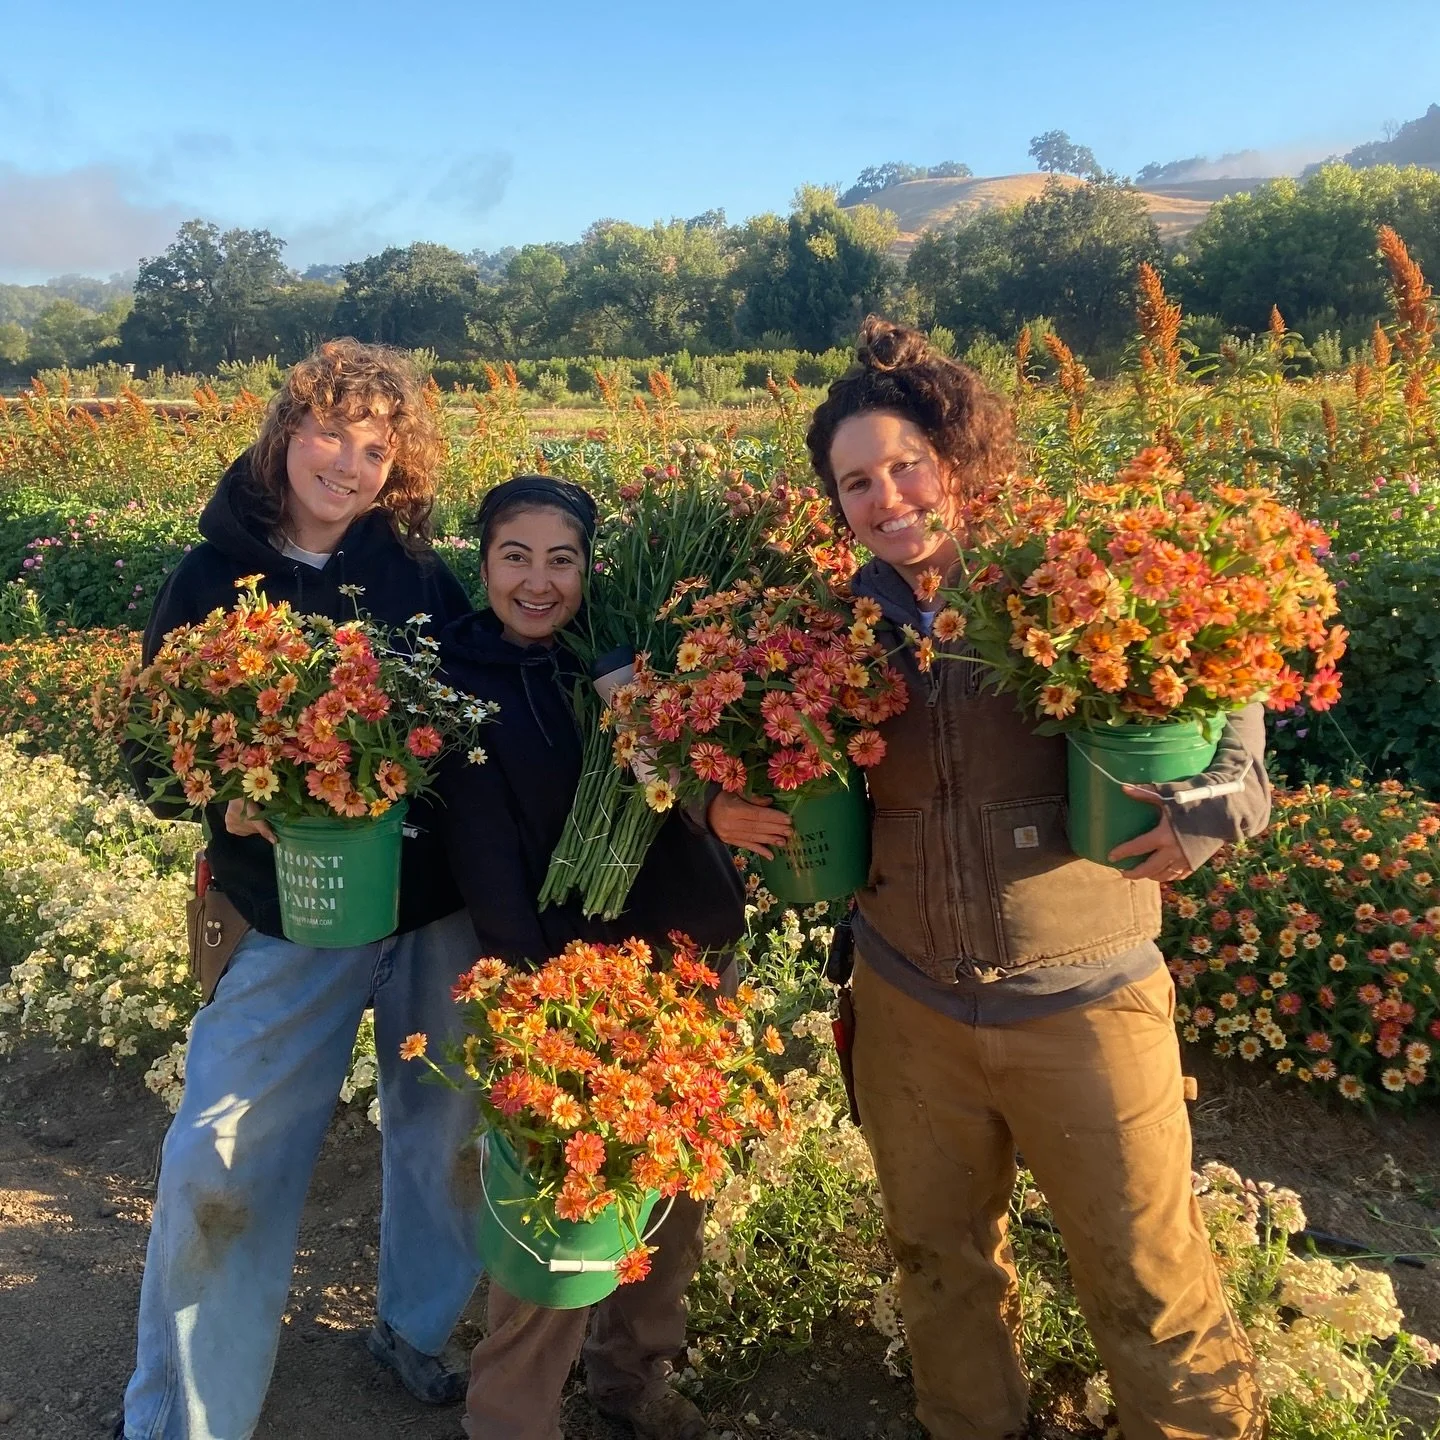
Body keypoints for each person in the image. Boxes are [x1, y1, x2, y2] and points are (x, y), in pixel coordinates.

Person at [716, 317, 1271, 1440]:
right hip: (908, 994)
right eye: (856, 482)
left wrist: (1217, 810)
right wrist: (711, 799)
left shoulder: (1064, 582)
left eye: (906, 464)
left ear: (957, 459)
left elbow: (1236, 708)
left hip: (1086, 994)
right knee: (941, 1272)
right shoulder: (825, 628)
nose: (887, 497)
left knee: (1151, 1288)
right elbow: (699, 734)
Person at [118, 339, 483, 1440]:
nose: (348, 462)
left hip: (428, 912)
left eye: (376, 446)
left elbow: (475, 724)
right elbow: (146, 747)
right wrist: (221, 797)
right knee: (221, 1155)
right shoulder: (206, 576)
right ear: (286, 433)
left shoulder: (416, 574)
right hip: (285, 915)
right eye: (331, 431)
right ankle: (187, 1413)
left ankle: (415, 1329)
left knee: (444, 1133)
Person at [435, 474, 744, 1440]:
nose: (538, 582)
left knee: (666, 1195)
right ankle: (512, 1417)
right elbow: (479, 853)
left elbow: (693, 793)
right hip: (555, 986)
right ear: (482, 563)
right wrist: (535, 997)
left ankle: (633, 1385)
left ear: (589, 568)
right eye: (514, 557)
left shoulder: (626, 661)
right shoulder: (458, 680)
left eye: (560, 560)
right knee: (556, 1206)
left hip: (676, 964)